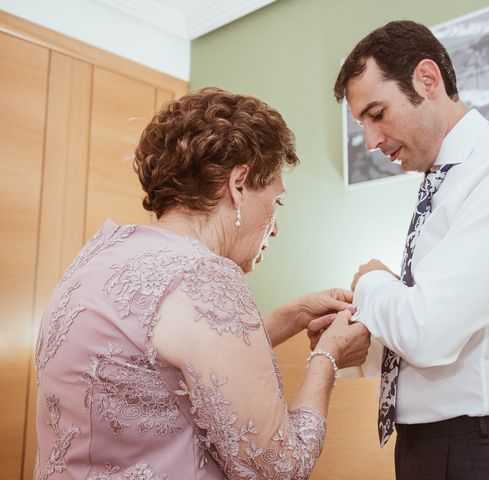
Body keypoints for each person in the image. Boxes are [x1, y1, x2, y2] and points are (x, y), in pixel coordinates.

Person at [33, 87, 370, 479]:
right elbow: (280, 468)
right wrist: (326, 359)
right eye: (276, 203)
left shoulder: (98, 257)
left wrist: (290, 315)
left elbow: (160, 364)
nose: (275, 230)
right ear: (239, 184)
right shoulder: (204, 275)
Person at [334, 20, 489, 479]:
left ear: (427, 79)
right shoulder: (443, 181)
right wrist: (364, 340)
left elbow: (430, 332)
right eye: (363, 123)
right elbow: (444, 338)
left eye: (377, 114)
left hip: (484, 453)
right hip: (432, 450)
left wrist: (372, 281)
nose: (371, 141)